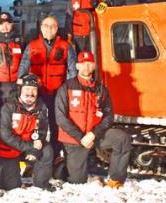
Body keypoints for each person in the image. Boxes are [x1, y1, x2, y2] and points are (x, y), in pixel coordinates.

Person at [55, 50, 133, 187]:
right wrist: (81, 137)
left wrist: (93, 134)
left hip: (95, 135)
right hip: (74, 139)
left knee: (122, 139)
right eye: (83, 63)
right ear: (77, 66)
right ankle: (60, 166)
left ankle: (116, 180)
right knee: (77, 181)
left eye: (89, 63)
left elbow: (109, 117)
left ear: (94, 66)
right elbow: (61, 118)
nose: (86, 67)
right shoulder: (66, 87)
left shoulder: (101, 89)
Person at [18, 14, 76, 174]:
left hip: (58, 92)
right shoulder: (32, 46)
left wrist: (68, 91)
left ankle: (57, 155)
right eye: (46, 26)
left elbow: (72, 70)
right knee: (34, 124)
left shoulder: (65, 46)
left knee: (57, 124)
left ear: (57, 29)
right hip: (38, 93)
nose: (49, 29)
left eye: (53, 26)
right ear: (41, 28)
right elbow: (23, 68)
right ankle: (31, 155)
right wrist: (22, 90)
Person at [0, 73, 55, 191]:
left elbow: (41, 131)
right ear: (20, 90)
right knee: (11, 187)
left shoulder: (41, 107)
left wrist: (35, 149)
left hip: (28, 146)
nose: (30, 93)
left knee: (47, 151)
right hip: (8, 149)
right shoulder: (8, 107)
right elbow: (5, 135)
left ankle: (41, 184)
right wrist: (29, 147)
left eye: (34, 89)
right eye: (27, 89)